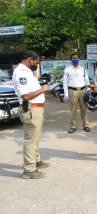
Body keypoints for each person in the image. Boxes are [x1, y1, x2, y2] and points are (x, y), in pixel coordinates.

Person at [12, 51, 51, 179]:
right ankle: (29, 170)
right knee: (30, 140)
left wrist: (41, 88)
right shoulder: (21, 73)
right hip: (31, 110)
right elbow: (26, 96)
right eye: (36, 62)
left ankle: (35, 160)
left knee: (36, 138)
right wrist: (43, 89)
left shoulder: (27, 72)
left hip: (36, 109)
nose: (36, 65)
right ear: (30, 59)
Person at [63, 53, 90, 133]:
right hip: (72, 91)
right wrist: (66, 93)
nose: (75, 59)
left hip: (83, 90)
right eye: (73, 58)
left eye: (77, 58)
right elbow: (65, 82)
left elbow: (87, 81)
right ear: (71, 60)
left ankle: (86, 125)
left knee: (84, 109)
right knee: (73, 110)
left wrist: (88, 91)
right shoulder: (67, 70)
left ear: (79, 59)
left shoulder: (83, 69)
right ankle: (73, 126)